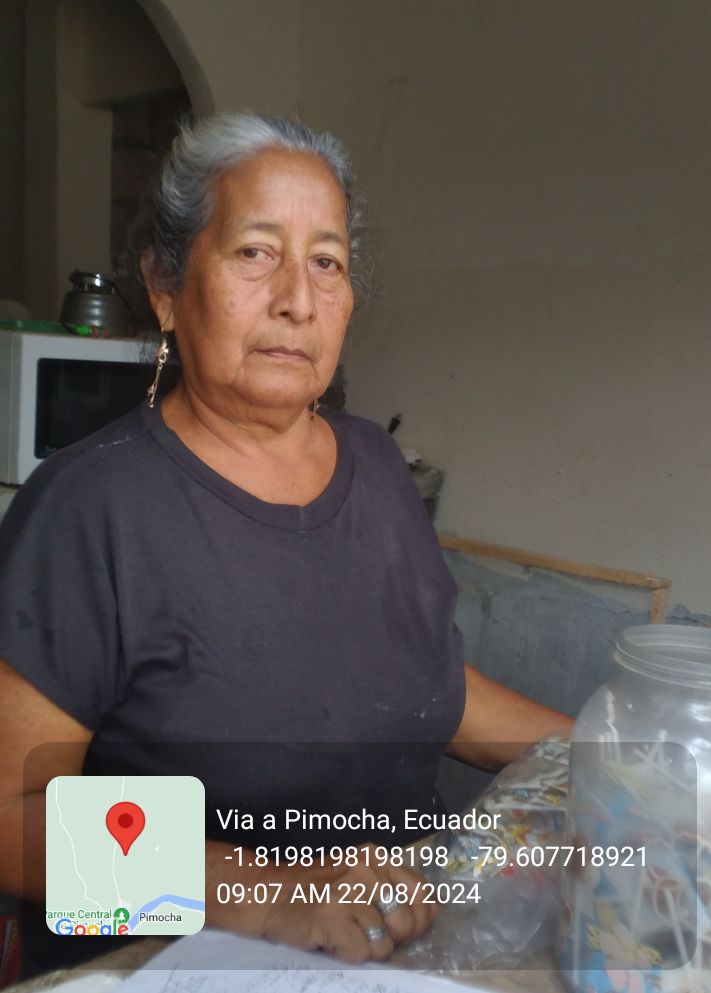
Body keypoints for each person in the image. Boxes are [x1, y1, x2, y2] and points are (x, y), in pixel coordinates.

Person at [0, 114, 572, 971]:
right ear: (165, 287)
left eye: (326, 262)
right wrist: (266, 893)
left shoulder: (378, 467)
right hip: (169, 965)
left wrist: (627, 761)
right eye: (255, 251)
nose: (297, 298)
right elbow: (12, 812)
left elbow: (427, 686)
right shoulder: (89, 510)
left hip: (402, 947)